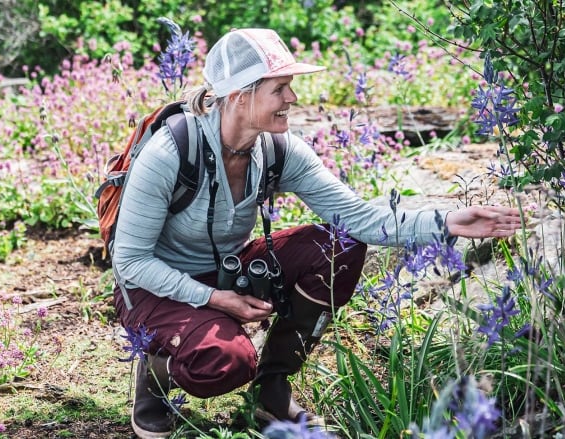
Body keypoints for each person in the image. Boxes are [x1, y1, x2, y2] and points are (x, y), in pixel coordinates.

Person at [111, 28, 522, 438]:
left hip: (226, 273)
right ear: (239, 95)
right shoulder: (170, 152)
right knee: (226, 362)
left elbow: (357, 219)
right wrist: (214, 299)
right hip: (153, 287)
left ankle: (271, 390)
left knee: (337, 247)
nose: (292, 98)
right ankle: (158, 369)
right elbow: (130, 261)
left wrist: (447, 222)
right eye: (280, 88)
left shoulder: (277, 149)